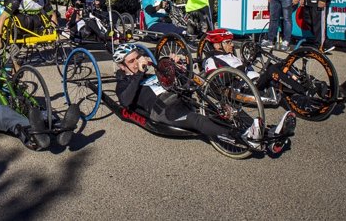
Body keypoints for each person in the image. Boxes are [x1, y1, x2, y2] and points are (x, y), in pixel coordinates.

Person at [113, 43, 295, 153]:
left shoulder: (149, 74)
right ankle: (245, 137)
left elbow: (173, 79)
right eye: (131, 61)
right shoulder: (123, 83)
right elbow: (125, 102)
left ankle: (269, 133)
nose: (137, 63)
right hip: (164, 111)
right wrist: (137, 75)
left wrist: (177, 65)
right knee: (197, 120)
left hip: (181, 99)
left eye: (138, 58)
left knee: (223, 107)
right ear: (122, 66)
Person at [202, 28, 346, 107]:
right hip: (245, 87)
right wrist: (243, 67)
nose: (231, 45)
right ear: (217, 44)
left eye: (230, 42)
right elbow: (216, 80)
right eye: (227, 42)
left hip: (256, 81)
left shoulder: (231, 55)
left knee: (283, 65)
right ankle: (309, 92)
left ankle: (330, 90)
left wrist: (251, 58)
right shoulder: (212, 60)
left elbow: (245, 65)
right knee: (273, 70)